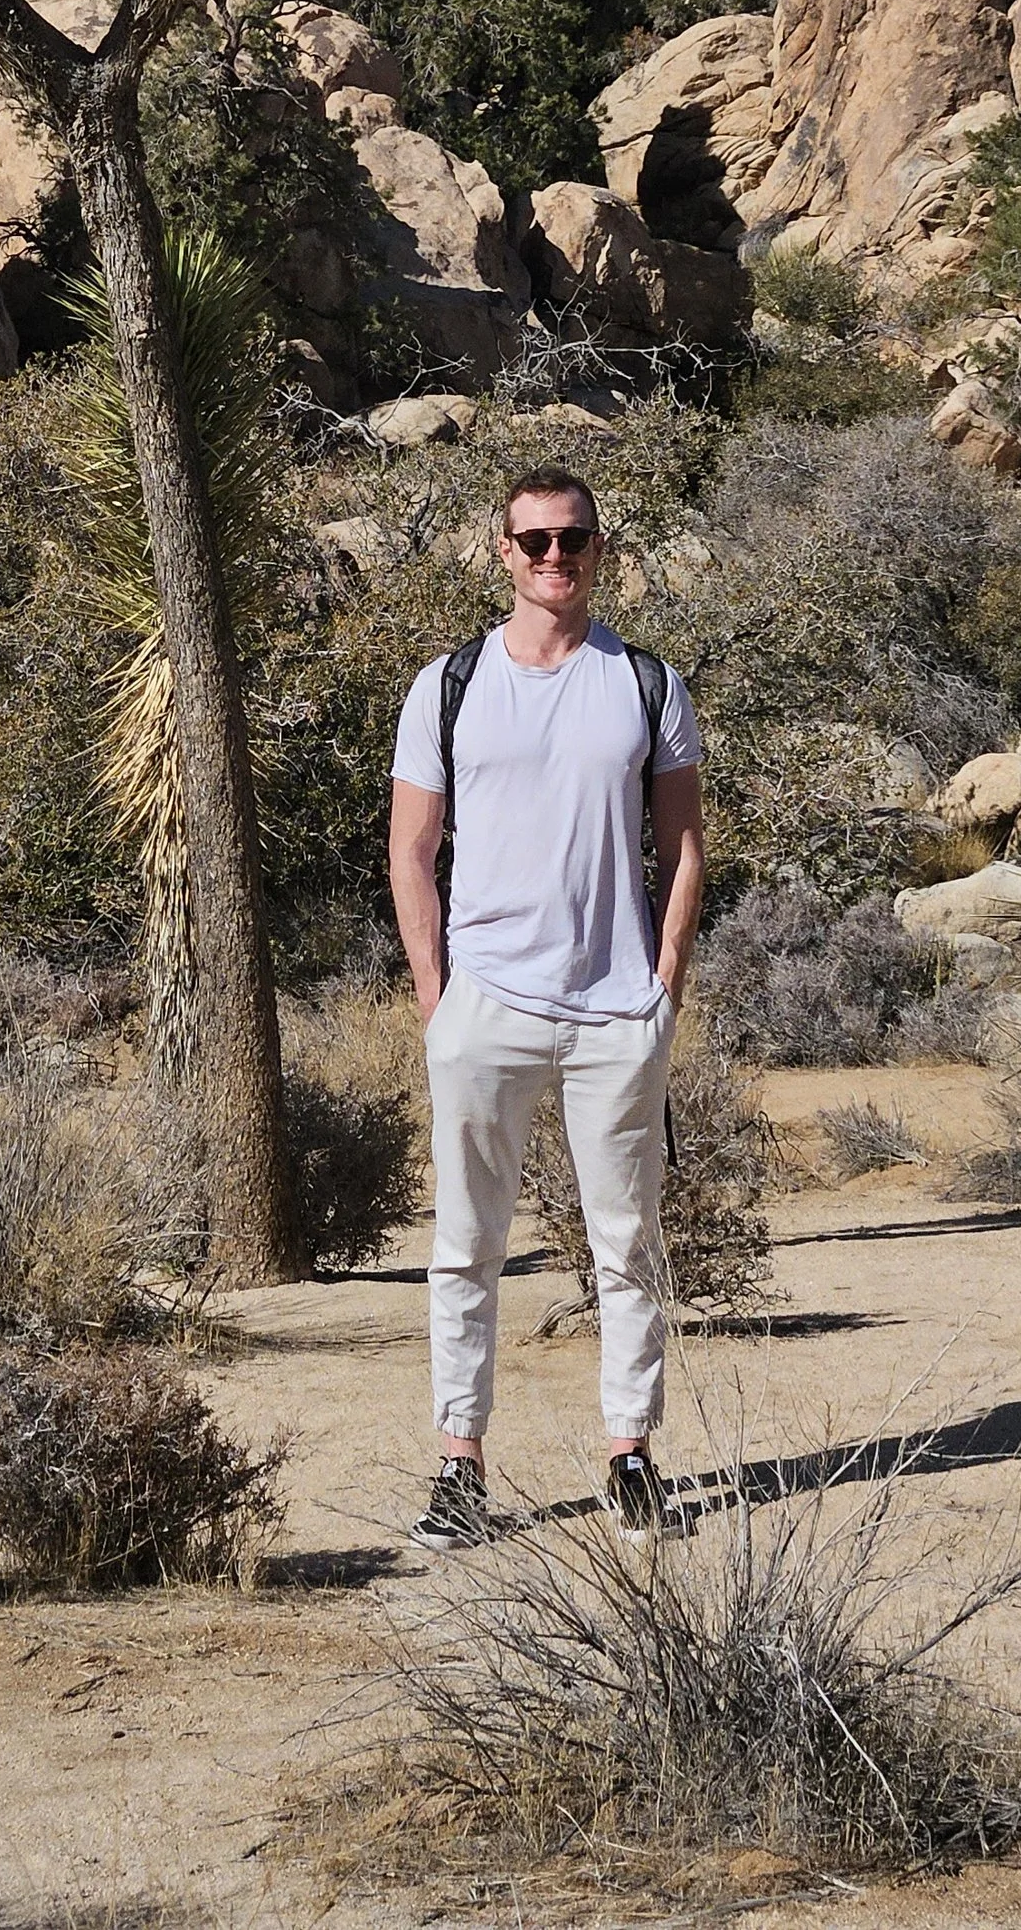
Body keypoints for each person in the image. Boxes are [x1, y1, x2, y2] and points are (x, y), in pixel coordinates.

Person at [387, 464, 705, 1547]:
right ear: (501, 552)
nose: (553, 559)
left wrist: (663, 981)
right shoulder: (448, 685)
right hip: (485, 1006)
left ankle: (630, 1456)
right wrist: (438, 996)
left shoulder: (646, 682)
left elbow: (685, 843)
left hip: (615, 1012)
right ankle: (458, 1467)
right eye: (533, 542)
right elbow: (411, 849)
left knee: (626, 1245)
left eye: (571, 540)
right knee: (464, 1246)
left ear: (598, 548)